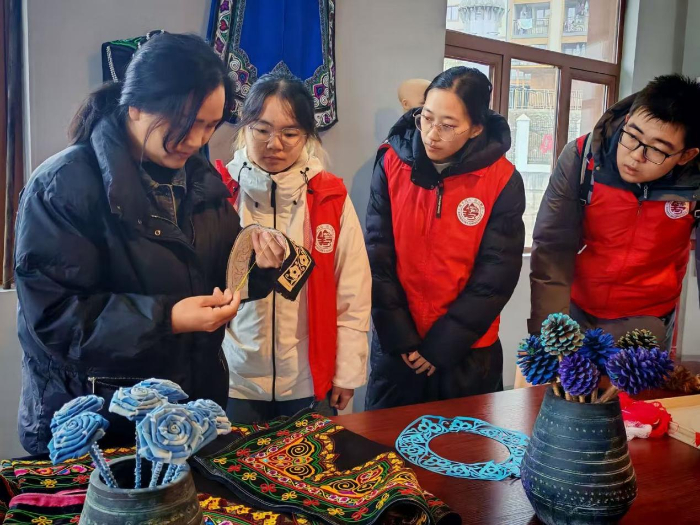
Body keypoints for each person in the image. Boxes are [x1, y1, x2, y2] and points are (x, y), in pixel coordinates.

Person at [14, 33, 285, 454]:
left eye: (210, 126)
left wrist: (260, 264)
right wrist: (167, 318)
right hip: (97, 424)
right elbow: (56, 318)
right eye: (185, 123)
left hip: (189, 415)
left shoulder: (201, 181)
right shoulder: (64, 186)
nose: (196, 140)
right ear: (136, 106)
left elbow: (223, 274)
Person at [365, 67, 525, 410]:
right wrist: (400, 335)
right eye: (426, 118)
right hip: (398, 348)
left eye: (448, 125)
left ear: (476, 128)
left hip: (467, 353)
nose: (432, 135)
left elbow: (496, 276)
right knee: (383, 442)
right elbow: (377, 254)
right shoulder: (391, 162)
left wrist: (443, 345)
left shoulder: (502, 179)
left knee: (463, 443)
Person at [216, 71, 370, 423]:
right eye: (262, 130)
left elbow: (353, 292)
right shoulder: (220, 192)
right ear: (244, 128)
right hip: (233, 380)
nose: (275, 144)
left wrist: (346, 372)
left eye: (289, 133)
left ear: (307, 136)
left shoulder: (329, 197)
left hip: (308, 380)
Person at [527, 74, 700, 384]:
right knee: (565, 403)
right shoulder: (582, 158)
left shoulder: (694, 184)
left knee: (636, 409)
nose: (635, 156)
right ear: (628, 119)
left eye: (657, 150)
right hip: (576, 310)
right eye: (632, 136)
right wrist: (550, 335)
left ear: (686, 155)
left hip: (649, 320)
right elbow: (553, 249)